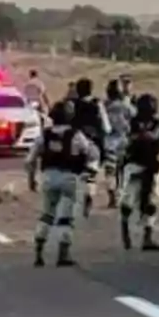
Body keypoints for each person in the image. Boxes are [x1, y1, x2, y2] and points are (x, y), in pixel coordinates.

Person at [25, 100, 99, 268]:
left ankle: (39, 252)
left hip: (48, 177)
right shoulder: (76, 135)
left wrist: (31, 179)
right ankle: (63, 254)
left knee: (47, 214)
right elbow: (90, 154)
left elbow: (30, 159)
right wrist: (89, 176)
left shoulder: (45, 135)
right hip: (69, 178)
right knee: (66, 217)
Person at [120, 93, 159, 252]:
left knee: (130, 199)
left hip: (134, 165)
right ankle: (147, 236)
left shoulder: (133, 124)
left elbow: (128, 142)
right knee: (150, 202)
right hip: (148, 166)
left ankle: (126, 231)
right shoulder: (156, 124)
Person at [69, 78, 111, 218]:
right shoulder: (97, 103)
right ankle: (89, 194)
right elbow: (106, 126)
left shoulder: (73, 104)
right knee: (91, 173)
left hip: (76, 142)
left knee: (75, 173)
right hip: (94, 142)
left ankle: (73, 198)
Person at [103, 79, 136, 209]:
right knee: (121, 171)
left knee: (109, 171)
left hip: (109, 141)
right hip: (124, 141)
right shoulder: (126, 107)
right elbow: (134, 117)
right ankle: (120, 193)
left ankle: (112, 194)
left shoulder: (104, 106)